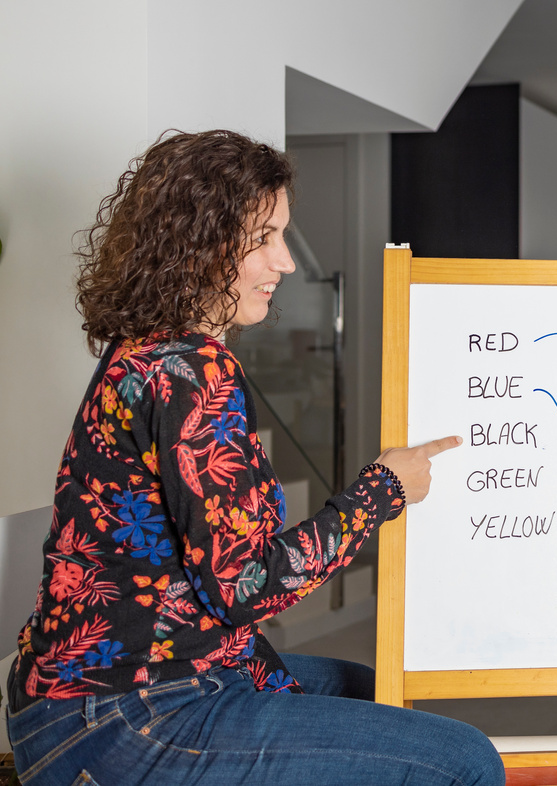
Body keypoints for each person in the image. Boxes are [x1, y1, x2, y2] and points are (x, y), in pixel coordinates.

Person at [5, 130, 506, 785]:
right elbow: (246, 588)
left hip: (96, 691)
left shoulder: (149, 350)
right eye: (264, 238)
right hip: (121, 714)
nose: (287, 263)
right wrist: (382, 491)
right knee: (467, 761)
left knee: (370, 689)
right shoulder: (191, 373)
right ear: (200, 244)